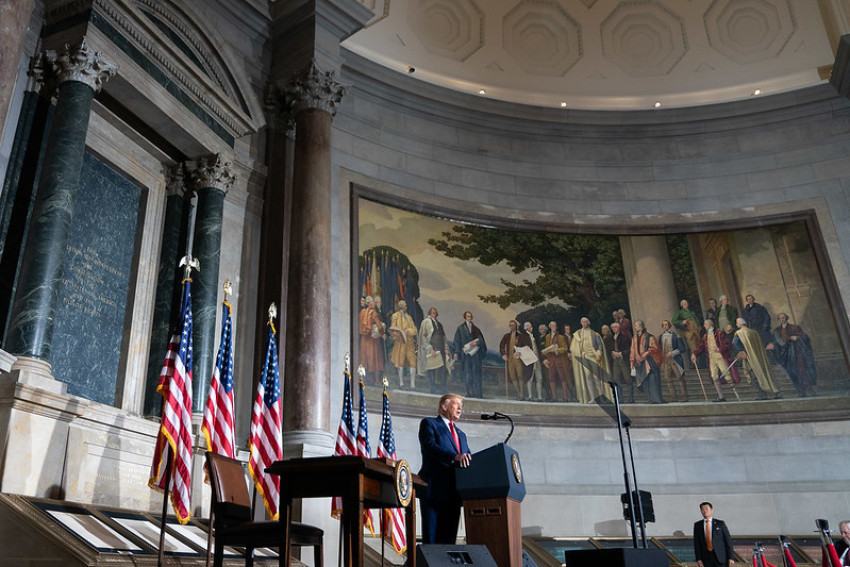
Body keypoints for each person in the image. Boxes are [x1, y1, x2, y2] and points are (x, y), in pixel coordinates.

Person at [418, 394, 472, 544]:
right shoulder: (430, 423)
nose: (460, 408)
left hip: (454, 494)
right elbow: (430, 446)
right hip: (434, 490)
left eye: (461, 405)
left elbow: (468, 457)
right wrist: (454, 457)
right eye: (456, 404)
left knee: (449, 543)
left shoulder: (462, 435)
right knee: (433, 542)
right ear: (444, 406)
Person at [766, 313, 818, 397]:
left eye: (783, 318)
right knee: (792, 373)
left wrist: (797, 338)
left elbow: (805, 337)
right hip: (786, 356)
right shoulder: (777, 330)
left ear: (786, 318)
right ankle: (800, 391)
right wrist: (773, 345)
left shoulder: (795, 327)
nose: (782, 319)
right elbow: (777, 342)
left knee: (802, 371)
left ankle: (809, 390)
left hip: (797, 353)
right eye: (780, 318)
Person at [691, 319, 740, 402]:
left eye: (706, 324)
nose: (704, 325)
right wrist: (694, 354)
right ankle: (721, 396)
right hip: (711, 358)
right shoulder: (705, 336)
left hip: (720, 357)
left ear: (711, 324)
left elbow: (727, 344)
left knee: (727, 375)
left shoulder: (719, 333)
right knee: (714, 377)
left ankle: (737, 395)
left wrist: (720, 349)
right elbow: (701, 347)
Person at [732, 318, 782, 400]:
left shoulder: (739, 333)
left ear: (740, 324)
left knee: (754, 375)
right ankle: (774, 392)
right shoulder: (753, 332)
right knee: (763, 373)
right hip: (758, 357)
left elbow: (735, 343)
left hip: (749, 357)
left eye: (737, 323)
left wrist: (740, 351)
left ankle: (763, 394)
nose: (736, 324)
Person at [570, 317, 611, 403]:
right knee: (588, 376)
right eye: (582, 322)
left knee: (596, 377)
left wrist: (598, 353)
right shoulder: (579, 334)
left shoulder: (594, 334)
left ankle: (600, 396)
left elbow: (599, 345)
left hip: (593, 356)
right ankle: (592, 398)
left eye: (585, 322)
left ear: (588, 323)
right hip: (585, 357)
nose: (584, 323)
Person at [452, 311, 487, 398]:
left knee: (476, 373)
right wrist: (456, 352)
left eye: (470, 316)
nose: (469, 317)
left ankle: (478, 393)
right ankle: (469, 392)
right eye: (468, 316)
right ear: (465, 317)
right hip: (466, 355)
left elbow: (481, 340)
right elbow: (457, 341)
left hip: (475, 355)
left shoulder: (476, 329)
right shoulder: (460, 328)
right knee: (468, 374)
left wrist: (476, 343)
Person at [630, 320, 665, 404]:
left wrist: (645, 354)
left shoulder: (649, 336)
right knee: (644, 382)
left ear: (640, 326)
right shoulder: (634, 338)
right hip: (640, 364)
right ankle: (650, 399)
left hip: (650, 362)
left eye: (636, 326)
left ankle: (656, 399)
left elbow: (654, 348)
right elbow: (632, 351)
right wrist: (632, 362)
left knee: (653, 380)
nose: (635, 327)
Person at [418, 307, 451, 394]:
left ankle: (443, 388)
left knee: (443, 368)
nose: (434, 314)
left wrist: (446, 348)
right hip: (432, 348)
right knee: (431, 368)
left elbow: (443, 338)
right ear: (429, 313)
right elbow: (423, 337)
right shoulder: (426, 322)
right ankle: (432, 388)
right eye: (432, 312)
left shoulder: (439, 324)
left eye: (435, 312)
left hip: (441, 348)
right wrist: (429, 349)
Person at [693, 502, 735, 567]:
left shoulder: (720, 524)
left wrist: (731, 557)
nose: (705, 511)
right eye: (702, 509)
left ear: (712, 510)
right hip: (706, 558)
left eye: (706, 509)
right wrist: (698, 559)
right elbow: (697, 544)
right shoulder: (697, 525)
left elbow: (728, 542)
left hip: (721, 558)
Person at [499, 320, 532, 400]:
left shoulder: (521, 336)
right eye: (510, 325)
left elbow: (527, 347)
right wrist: (503, 354)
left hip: (518, 359)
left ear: (516, 326)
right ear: (509, 326)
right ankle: (519, 394)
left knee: (520, 376)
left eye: (513, 325)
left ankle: (522, 394)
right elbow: (501, 346)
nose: (512, 327)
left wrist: (521, 352)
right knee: (512, 376)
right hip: (510, 359)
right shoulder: (506, 336)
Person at [389, 300, 418, 389]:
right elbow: (392, 329)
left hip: (409, 341)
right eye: (405, 305)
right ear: (401, 306)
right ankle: (401, 383)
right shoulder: (395, 316)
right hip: (400, 342)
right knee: (400, 361)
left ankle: (412, 384)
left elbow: (415, 330)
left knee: (413, 361)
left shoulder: (409, 317)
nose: (406, 307)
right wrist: (398, 333)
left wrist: (409, 331)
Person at [543, 320, 574, 401]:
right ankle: (554, 397)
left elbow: (565, 348)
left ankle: (565, 396)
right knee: (551, 378)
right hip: (551, 361)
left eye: (555, 326)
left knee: (563, 378)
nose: (554, 327)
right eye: (552, 326)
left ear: (556, 327)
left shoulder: (561, 337)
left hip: (559, 360)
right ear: (550, 327)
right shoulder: (547, 337)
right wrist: (546, 355)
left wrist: (556, 350)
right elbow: (546, 348)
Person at [659, 320, 688, 402]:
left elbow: (682, 348)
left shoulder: (676, 336)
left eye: (666, 324)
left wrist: (672, 353)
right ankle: (673, 397)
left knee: (680, 378)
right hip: (666, 361)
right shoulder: (661, 337)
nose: (665, 326)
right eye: (663, 325)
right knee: (667, 378)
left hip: (675, 360)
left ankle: (684, 396)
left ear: (669, 326)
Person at [605, 321, 634, 402]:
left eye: (616, 327)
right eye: (613, 328)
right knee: (616, 379)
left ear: (619, 328)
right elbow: (608, 349)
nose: (614, 329)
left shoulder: (624, 337)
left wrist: (621, 353)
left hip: (623, 360)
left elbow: (629, 349)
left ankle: (630, 398)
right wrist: (612, 352)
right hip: (615, 361)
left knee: (628, 378)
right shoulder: (610, 339)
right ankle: (620, 398)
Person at [359, 296, 385, 385]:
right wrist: (382, 334)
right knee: (375, 359)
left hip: (364, 338)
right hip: (372, 339)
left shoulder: (362, 312)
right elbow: (380, 326)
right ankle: (376, 381)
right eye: (373, 302)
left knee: (363, 359)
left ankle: (362, 378)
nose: (374, 303)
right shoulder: (373, 313)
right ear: (370, 303)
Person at [523, 321, 545, 401]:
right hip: (530, 360)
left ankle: (539, 396)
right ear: (527, 328)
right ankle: (530, 396)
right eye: (531, 327)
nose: (532, 328)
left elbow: (537, 348)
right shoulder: (523, 337)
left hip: (537, 359)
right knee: (530, 378)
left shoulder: (533, 336)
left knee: (539, 378)